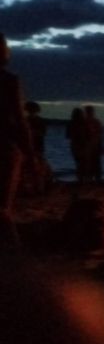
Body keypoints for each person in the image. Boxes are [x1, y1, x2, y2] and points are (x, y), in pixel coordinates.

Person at [0, 33, 33, 248]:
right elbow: (20, 120)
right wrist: (30, 153)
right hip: (5, 146)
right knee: (3, 205)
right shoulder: (9, 80)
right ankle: (16, 254)